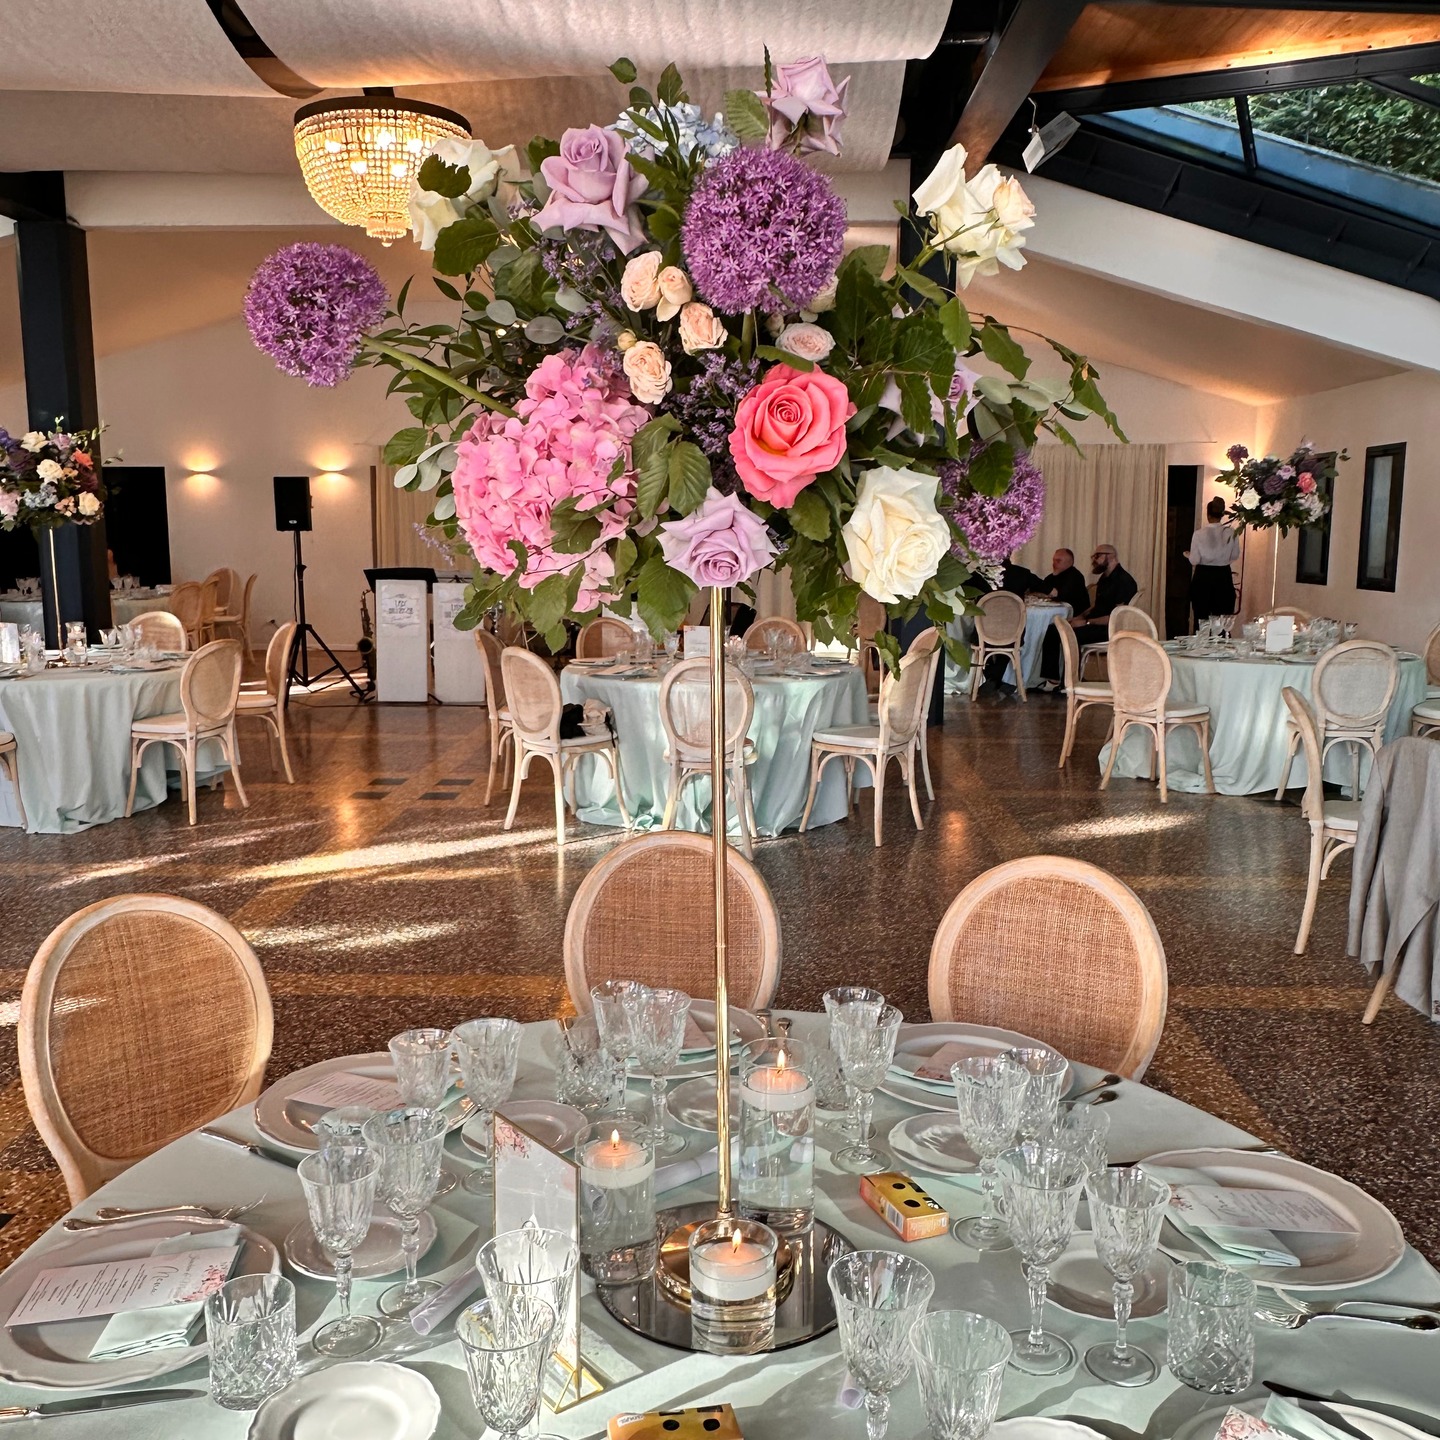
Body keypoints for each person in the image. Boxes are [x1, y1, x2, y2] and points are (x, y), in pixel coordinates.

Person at [1036, 542, 1138, 689]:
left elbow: (1117, 617)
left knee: (1072, 635)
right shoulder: (1104, 578)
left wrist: (1087, 623)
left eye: (1097, 556)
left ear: (1110, 556)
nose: (1094, 560)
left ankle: (1070, 682)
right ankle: (1052, 680)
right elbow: (1097, 607)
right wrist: (1079, 617)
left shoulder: (1124, 581)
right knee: (1054, 630)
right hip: (1096, 623)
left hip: (1108, 628)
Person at [1186, 496, 1240, 629]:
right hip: (1223, 577)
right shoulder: (1231, 532)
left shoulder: (1198, 534)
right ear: (1222, 515)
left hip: (1203, 577)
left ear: (1208, 514)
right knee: (1222, 622)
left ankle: (1201, 647)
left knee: (1201, 621)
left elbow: (1195, 560)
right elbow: (1235, 555)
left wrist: (1188, 555)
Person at [1032, 547, 1090, 615]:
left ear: (1070, 562)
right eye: (1054, 560)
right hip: (1055, 613)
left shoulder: (1075, 577)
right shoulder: (1051, 577)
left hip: (1074, 618)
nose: (1054, 563)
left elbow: (1062, 596)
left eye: (1058, 561)